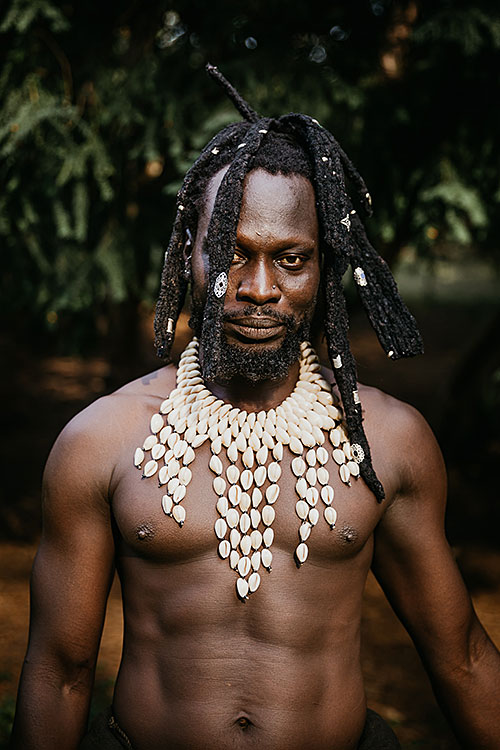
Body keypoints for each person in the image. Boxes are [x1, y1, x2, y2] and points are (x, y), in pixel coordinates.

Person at [11, 65, 500, 750]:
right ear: (191, 257)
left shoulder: (387, 442)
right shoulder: (103, 441)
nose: (260, 287)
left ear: (323, 266)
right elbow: (61, 673)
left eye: (291, 259)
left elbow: (463, 656)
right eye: (232, 254)